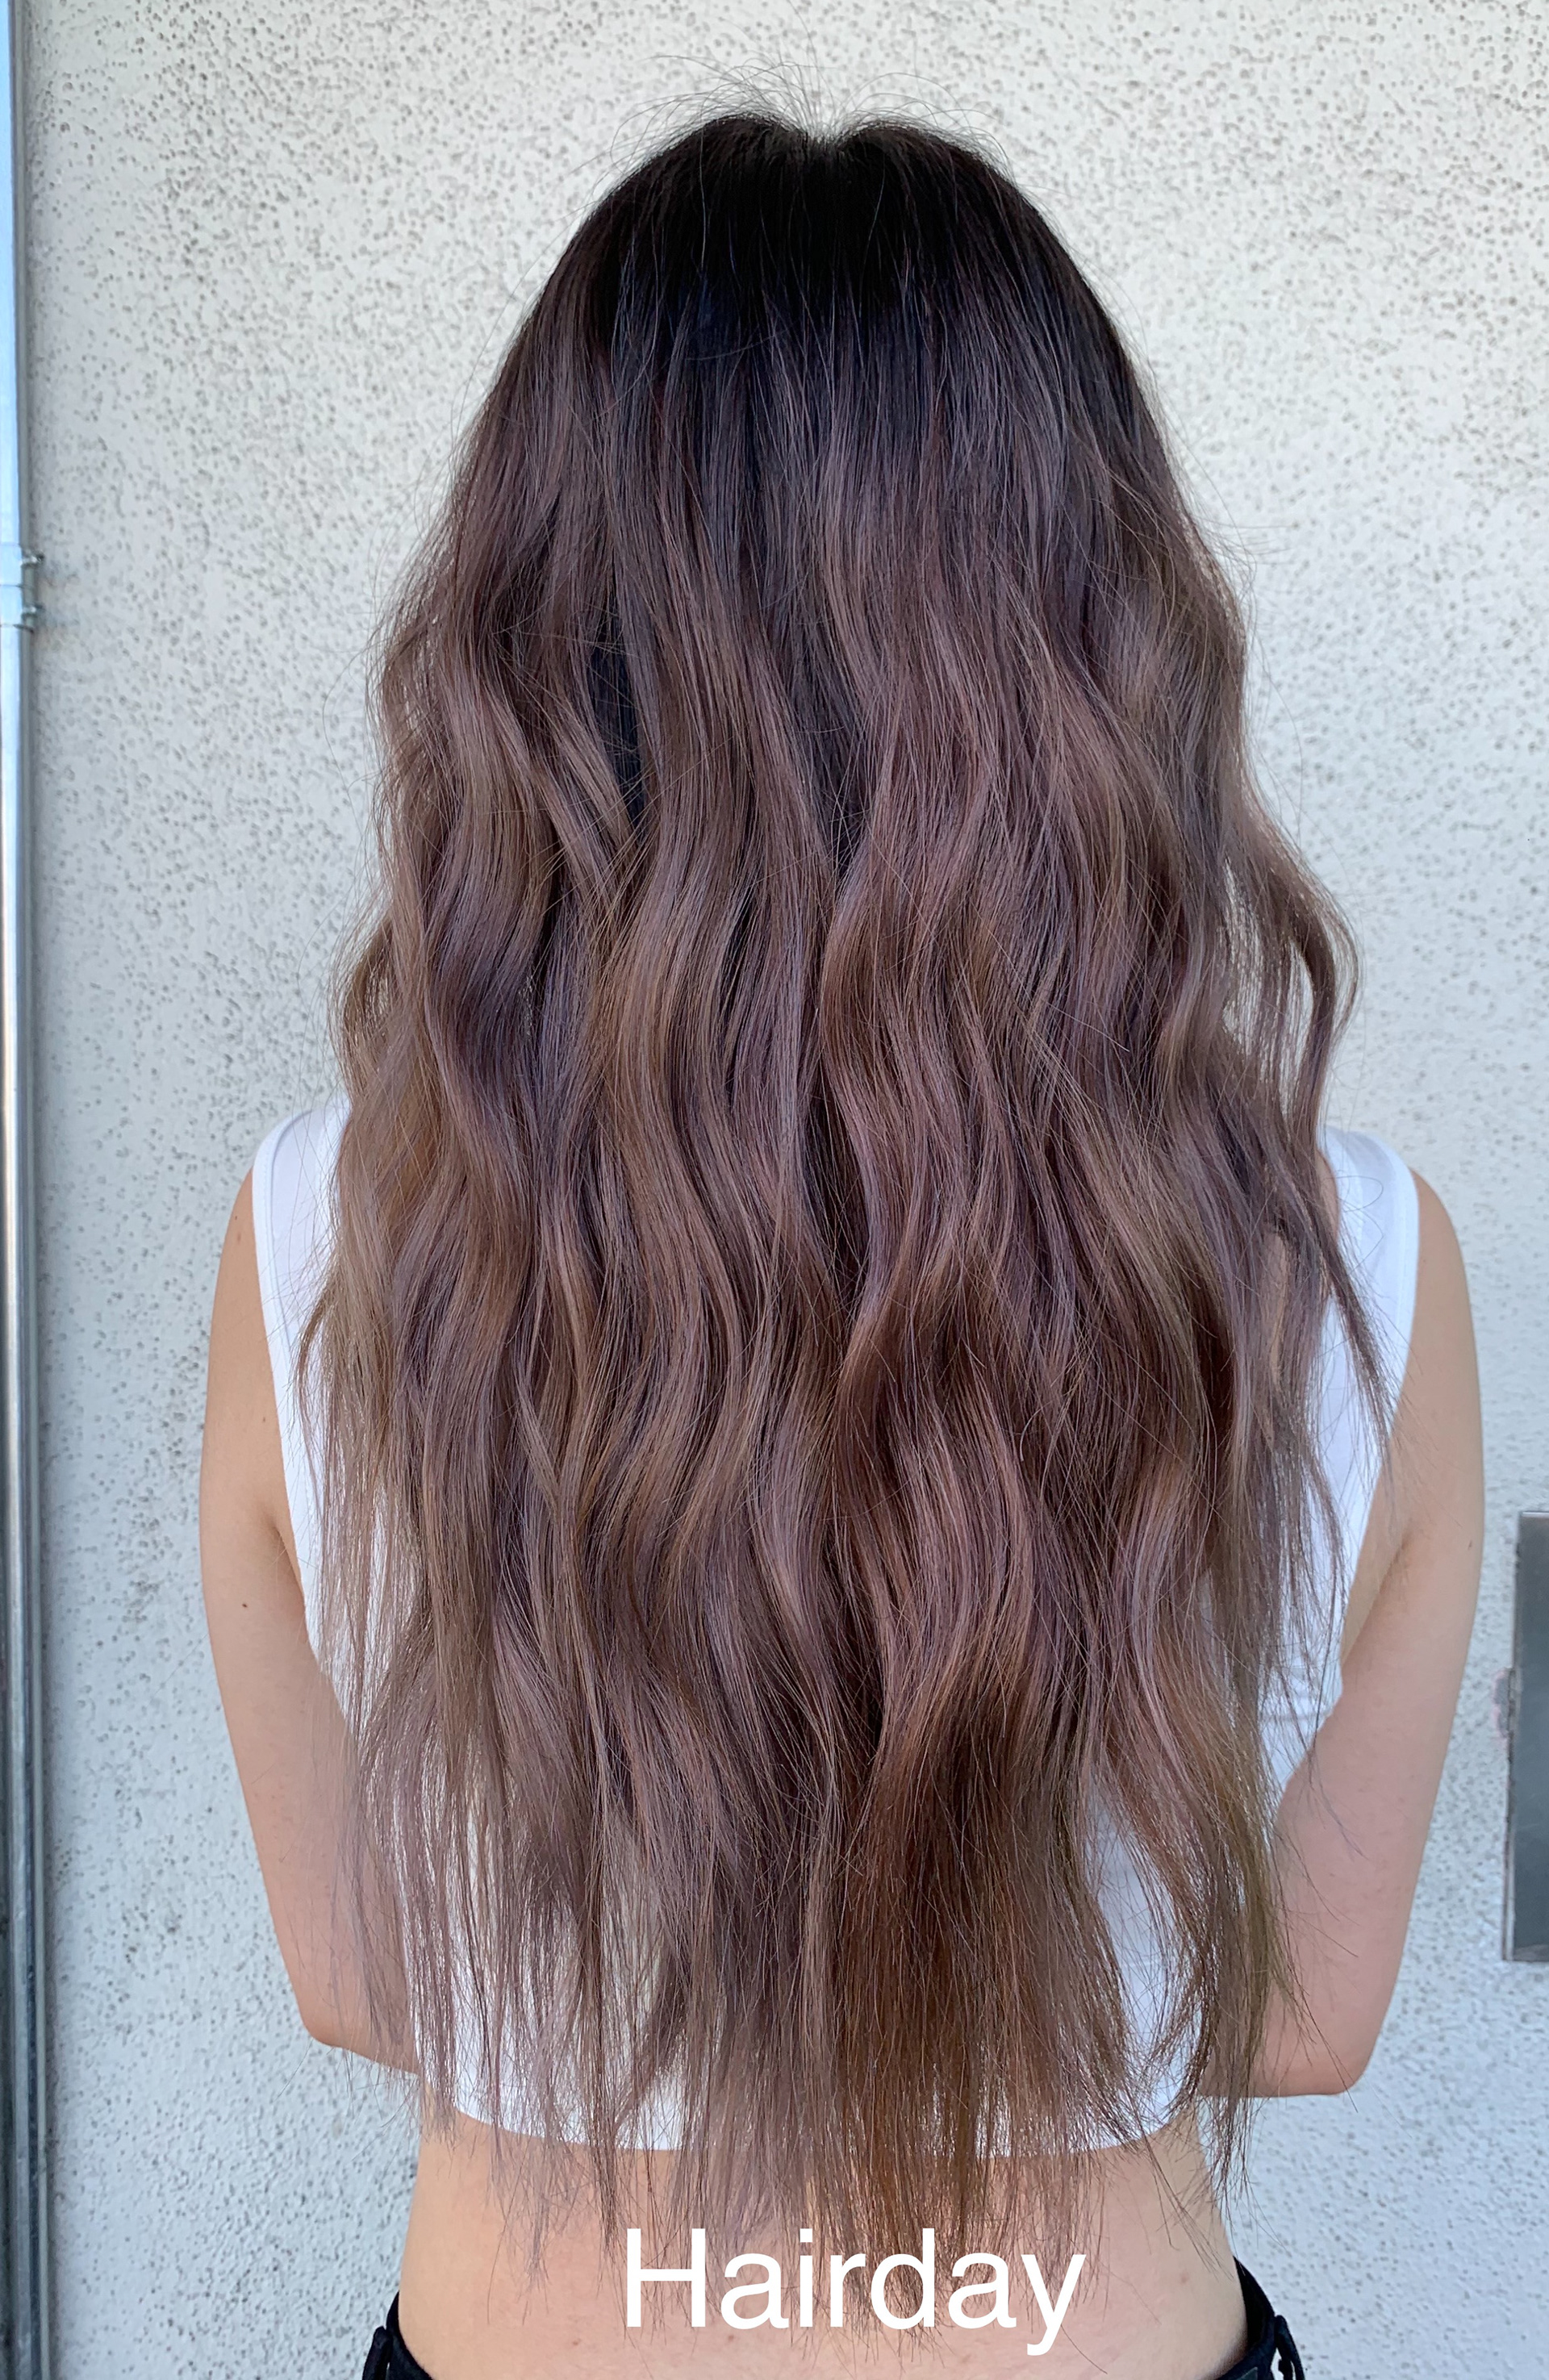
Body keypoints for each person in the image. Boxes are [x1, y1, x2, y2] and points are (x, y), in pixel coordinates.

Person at [198, 112, 1483, 2380]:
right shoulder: (1355, 1263)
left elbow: (362, 1976)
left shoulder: (324, 1241)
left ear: (538, 648)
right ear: (1095, 642)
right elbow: (1301, 2014)